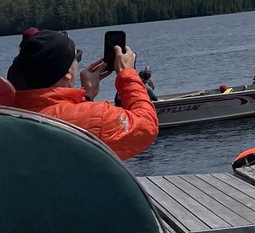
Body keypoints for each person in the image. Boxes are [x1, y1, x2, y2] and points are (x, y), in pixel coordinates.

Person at [13, 29, 159, 160]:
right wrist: (126, 74)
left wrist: (86, 97)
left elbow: (59, 114)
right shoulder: (98, 117)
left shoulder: (12, 114)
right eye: (76, 59)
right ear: (67, 73)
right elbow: (146, 127)